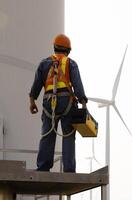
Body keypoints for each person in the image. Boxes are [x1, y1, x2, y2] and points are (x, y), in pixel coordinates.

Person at [29, 34, 87, 172]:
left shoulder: (44, 63)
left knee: (47, 135)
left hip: (49, 102)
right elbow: (78, 86)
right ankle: (69, 169)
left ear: (55, 48)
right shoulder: (71, 63)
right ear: (68, 50)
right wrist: (83, 104)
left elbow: (36, 86)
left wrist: (32, 102)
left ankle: (43, 167)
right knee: (68, 136)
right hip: (67, 103)